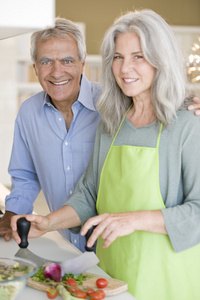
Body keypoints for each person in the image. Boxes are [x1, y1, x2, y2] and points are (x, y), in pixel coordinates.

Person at [12, 9, 200, 299]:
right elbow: (88, 194)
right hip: (108, 276)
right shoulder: (112, 122)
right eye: (118, 57)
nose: (126, 68)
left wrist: (133, 220)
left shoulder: (188, 123)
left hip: (166, 279)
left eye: (139, 56)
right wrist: (48, 223)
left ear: (161, 59)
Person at [0, 18, 102, 252]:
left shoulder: (110, 103)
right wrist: (11, 215)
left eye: (67, 60)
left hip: (112, 245)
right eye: (46, 61)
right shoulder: (28, 112)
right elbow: (25, 176)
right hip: (64, 241)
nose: (57, 72)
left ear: (82, 63)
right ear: (35, 66)